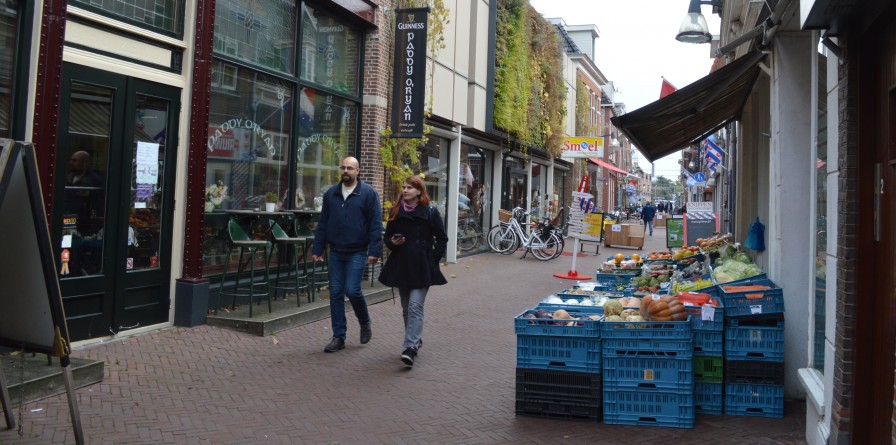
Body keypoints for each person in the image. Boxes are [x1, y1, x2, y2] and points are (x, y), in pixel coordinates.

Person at [311, 156, 383, 353]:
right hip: (336, 251)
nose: (345, 171)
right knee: (335, 294)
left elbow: (376, 224)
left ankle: (364, 321)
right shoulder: (331, 194)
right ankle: (338, 337)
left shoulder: (368, 194)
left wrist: (374, 250)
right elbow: (323, 223)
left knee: (352, 290)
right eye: (343, 167)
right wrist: (317, 248)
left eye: (350, 168)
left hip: (357, 251)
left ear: (358, 171)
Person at [378, 176, 448, 367]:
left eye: (409, 187)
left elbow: (442, 238)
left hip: (422, 266)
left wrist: (432, 260)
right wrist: (393, 242)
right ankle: (415, 339)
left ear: (419, 191)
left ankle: (410, 347)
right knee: (406, 308)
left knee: (415, 306)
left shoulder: (431, 212)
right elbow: (387, 237)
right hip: (402, 264)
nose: (405, 190)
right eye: (404, 187)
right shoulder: (396, 211)